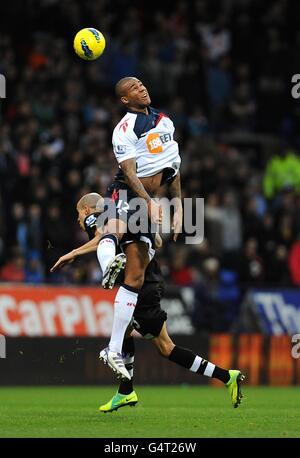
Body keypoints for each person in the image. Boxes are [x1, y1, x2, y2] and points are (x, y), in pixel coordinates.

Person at [51, 193, 245, 411]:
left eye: (78, 214)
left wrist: (73, 253)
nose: (79, 220)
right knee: (137, 334)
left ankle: (225, 376)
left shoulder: (94, 216)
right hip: (150, 278)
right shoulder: (125, 211)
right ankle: (127, 390)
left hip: (142, 285)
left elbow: (101, 237)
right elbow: (155, 240)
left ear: (86, 210)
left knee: (162, 345)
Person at [97, 77, 183, 379]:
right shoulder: (124, 129)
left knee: (135, 275)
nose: (142, 88)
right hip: (126, 193)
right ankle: (107, 264)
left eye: (142, 84)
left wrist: (179, 208)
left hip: (147, 202)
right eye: (133, 88)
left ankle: (113, 348)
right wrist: (147, 202)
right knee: (112, 229)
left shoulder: (165, 122)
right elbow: (130, 174)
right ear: (125, 99)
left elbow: (173, 169)